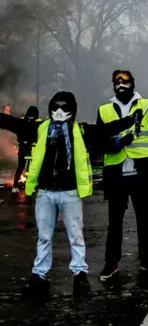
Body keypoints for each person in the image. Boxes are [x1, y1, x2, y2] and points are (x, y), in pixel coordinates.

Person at [0, 92, 140, 296]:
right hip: (46, 192)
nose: (58, 113)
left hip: (70, 192)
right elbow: (13, 123)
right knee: (44, 237)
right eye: (55, 108)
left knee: (76, 237)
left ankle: (80, 276)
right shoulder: (41, 128)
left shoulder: (80, 131)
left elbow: (104, 131)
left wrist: (129, 120)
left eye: (63, 109)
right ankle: (39, 276)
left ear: (72, 111)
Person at [97, 70, 148, 281]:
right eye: (117, 81)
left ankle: (147, 261)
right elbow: (100, 141)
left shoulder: (147, 105)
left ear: (133, 83)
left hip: (141, 173)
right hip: (116, 173)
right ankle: (111, 264)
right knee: (114, 222)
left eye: (125, 80)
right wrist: (119, 142)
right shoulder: (104, 110)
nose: (121, 84)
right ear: (113, 85)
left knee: (143, 220)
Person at [11, 106, 42, 193]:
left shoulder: (22, 121)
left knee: (20, 167)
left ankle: (15, 186)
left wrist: (21, 141)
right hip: (33, 148)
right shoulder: (38, 122)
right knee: (33, 168)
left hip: (22, 147)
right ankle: (31, 186)